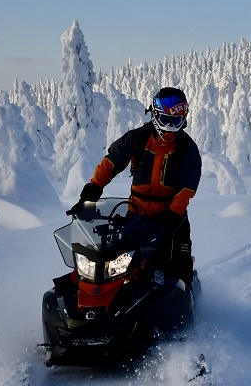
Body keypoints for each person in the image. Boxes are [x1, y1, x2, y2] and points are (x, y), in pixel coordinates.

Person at [71, 86, 201, 288]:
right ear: (155, 115)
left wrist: (173, 215)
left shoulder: (186, 148)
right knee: (119, 264)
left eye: (175, 122)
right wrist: (93, 189)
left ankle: (187, 306)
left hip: (171, 219)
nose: (169, 127)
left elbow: (187, 188)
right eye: (165, 120)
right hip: (136, 215)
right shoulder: (138, 138)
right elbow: (111, 162)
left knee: (178, 268)